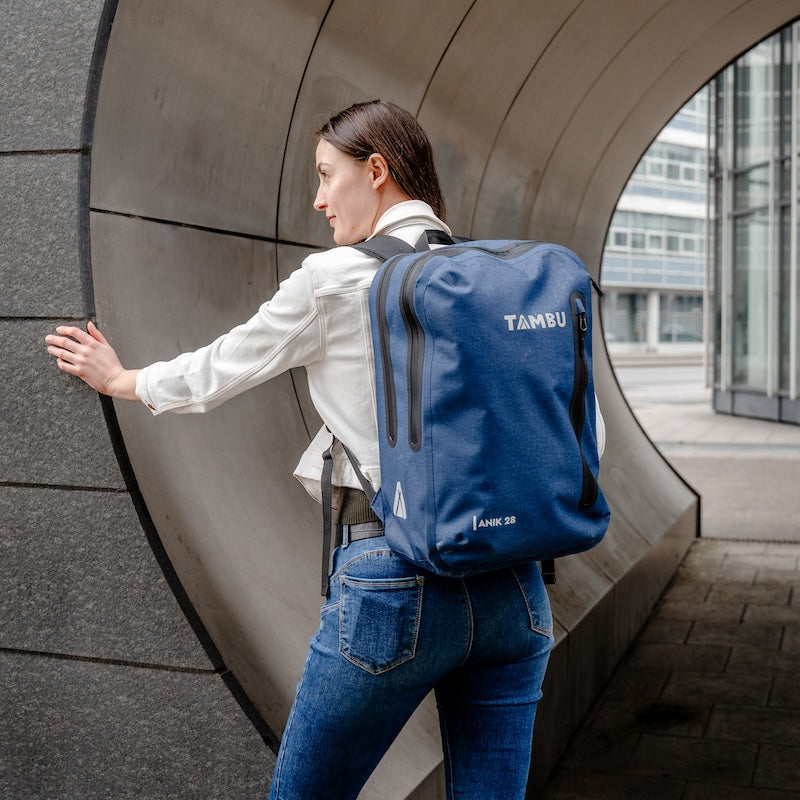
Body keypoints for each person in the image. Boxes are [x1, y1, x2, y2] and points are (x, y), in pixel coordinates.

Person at [46, 99, 595, 799]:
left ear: (376, 170)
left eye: (325, 175)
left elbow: (223, 365)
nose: (317, 199)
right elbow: (582, 434)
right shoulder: (505, 285)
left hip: (394, 579)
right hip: (516, 592)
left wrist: (125, 380)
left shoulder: (335, 280)